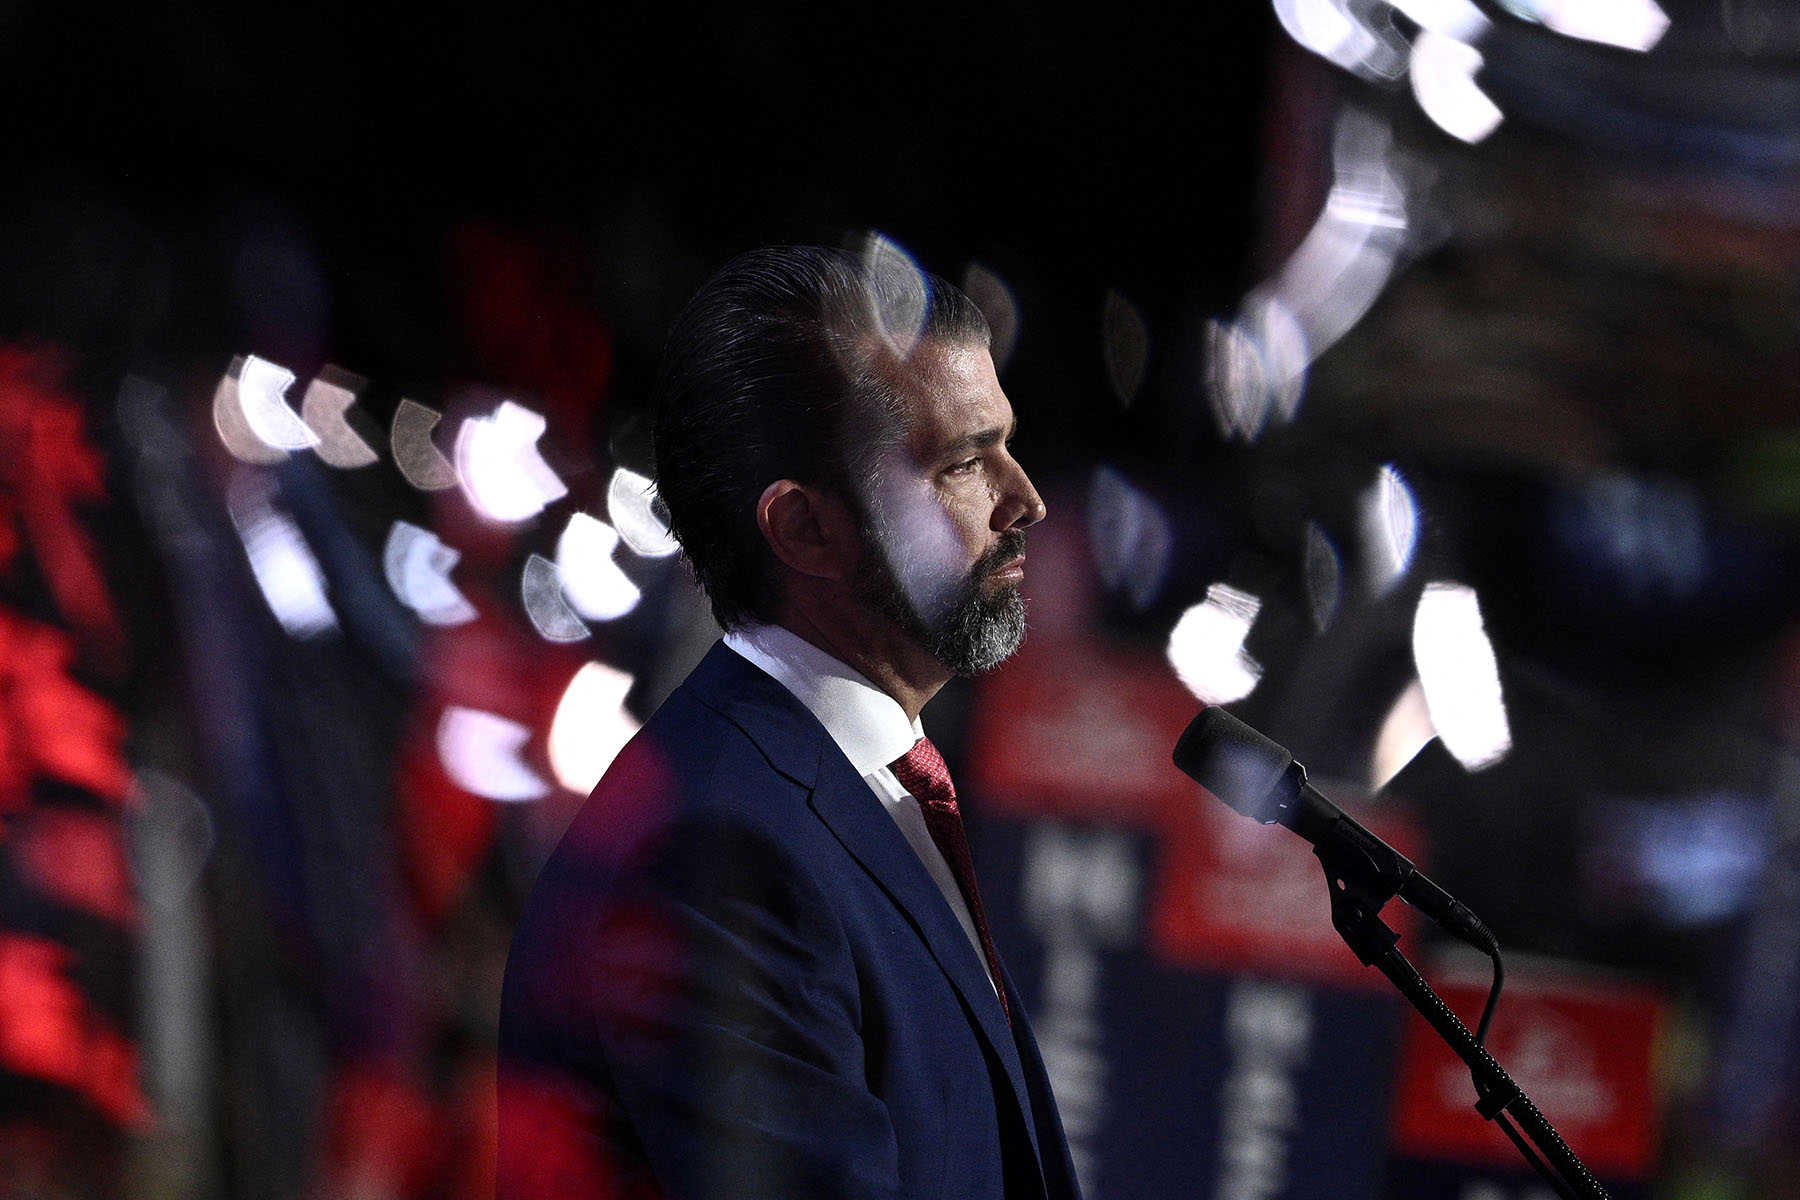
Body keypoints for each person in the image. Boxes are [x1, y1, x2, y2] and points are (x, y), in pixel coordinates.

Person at [497, 244, 1080, 1200]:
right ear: (805, 529)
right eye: (964, 463)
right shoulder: (716, 854)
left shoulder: (848, 793)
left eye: (1006, 444)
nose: (1026, 500)